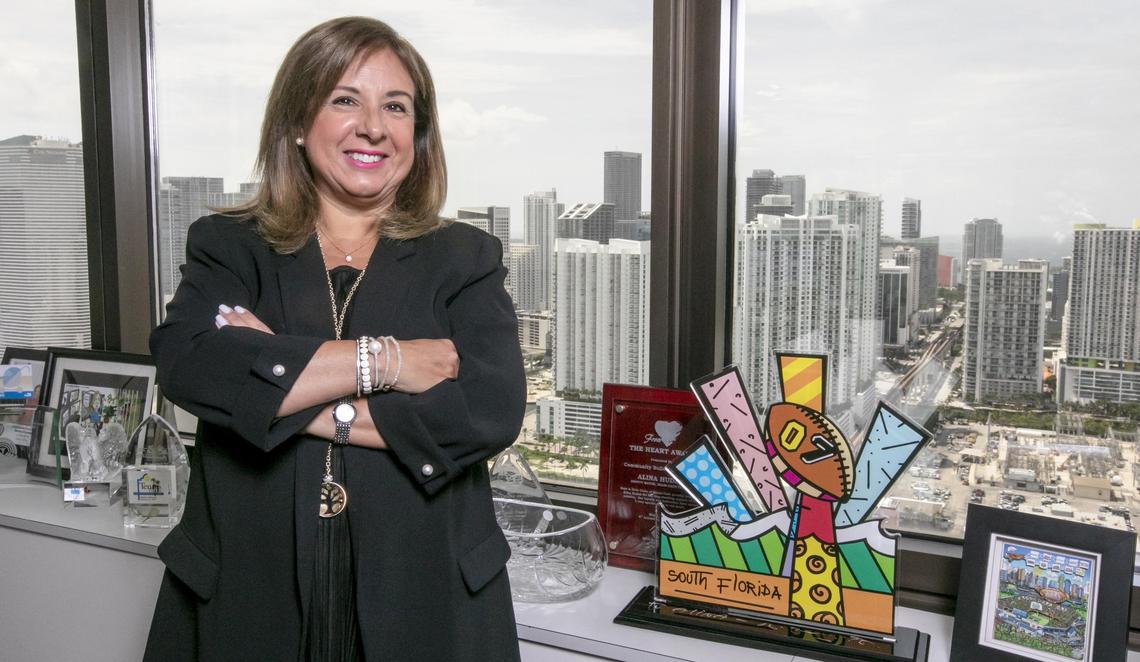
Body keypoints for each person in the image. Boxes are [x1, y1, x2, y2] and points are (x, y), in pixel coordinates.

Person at [145, 16, 525, 662]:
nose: (373, 126)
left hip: (425, 599)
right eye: (345, 99)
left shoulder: (464, 258)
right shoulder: (230, 246)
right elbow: (190, 366)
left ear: (417, 136)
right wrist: (392, 362)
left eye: (396, 107)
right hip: (245, 593)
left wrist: (273, 388)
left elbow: (488, 410)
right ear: (297, 122)